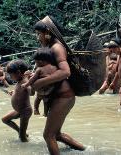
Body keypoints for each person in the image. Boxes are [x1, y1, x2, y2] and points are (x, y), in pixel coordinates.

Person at [32, 16, 85, 154]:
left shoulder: (57, 48)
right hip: (60, 96)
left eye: (39, 34)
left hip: (64, 96)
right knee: (56, 135)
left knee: (48, 135)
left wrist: (39, 82)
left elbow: (65, 71)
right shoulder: (49, 48)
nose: (38, 37)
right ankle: (85, 150)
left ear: (48, 32)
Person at [2, 60, 33, 142]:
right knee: (5, 119)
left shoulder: (25, 81)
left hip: (25, 111)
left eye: (10, 74)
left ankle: (23, 139)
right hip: (19, 110)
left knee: (22, 138)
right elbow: (20, 92)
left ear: (18, 72)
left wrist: (27, 84)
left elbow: (32, 93)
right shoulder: (19, 81)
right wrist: (13, 93)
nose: (9, 76)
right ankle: (21, 132)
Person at [21, 48, 58, 116]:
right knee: (46, 102)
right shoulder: (55, 67)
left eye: (36, 62)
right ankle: (45, 113)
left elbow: (33, 79)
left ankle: (36, 110)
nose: (36, 64)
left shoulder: (39, 69)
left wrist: (26, 84)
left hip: (41, 90)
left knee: (38, 99)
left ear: (40, 61)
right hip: (50, 90)